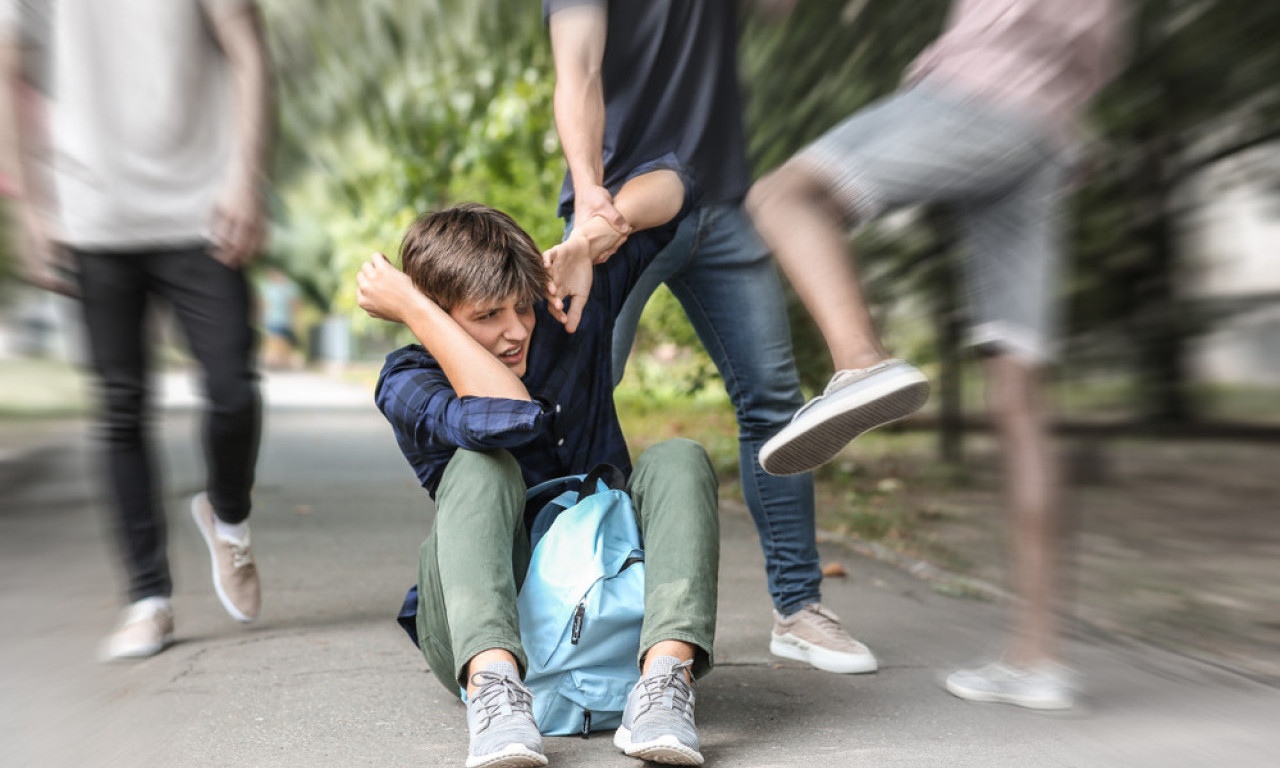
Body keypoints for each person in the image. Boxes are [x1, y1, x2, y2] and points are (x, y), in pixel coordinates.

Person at [746, 0, 1124, 709]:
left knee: (785, 196)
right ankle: (1038, 660)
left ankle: (862, 362)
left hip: (976, 92)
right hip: (1046, 135)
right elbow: (1098, 50)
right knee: (1021, 404)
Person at [545, 0, 878, 677]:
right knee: (575, 405)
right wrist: (587, 197)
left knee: (772, 401)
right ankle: (561, 606)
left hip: (719, 201)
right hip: (616, 212)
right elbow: (576, 67)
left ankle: (798, 607)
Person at [358, 167, 719, 767]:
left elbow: (683, 190)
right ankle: (497, 698)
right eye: (486, 316)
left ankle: (663, 685)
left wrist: (584, 242)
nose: (515, 330)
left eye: (520, 308)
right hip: (486, 632)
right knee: (480, 467)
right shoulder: (408, 380)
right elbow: (510, 417)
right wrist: (419, 312)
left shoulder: (563, 307)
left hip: (610, 599)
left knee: (679, 457)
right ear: (439, 318)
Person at [0, 0, 272, 659]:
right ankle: (148, 598)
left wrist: (247, 177)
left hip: (203, 207)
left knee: (234, 388)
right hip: (95, 215)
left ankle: (226, 514)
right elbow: (10, 67)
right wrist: (33, 207)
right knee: (122, 408)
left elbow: (249, 51)